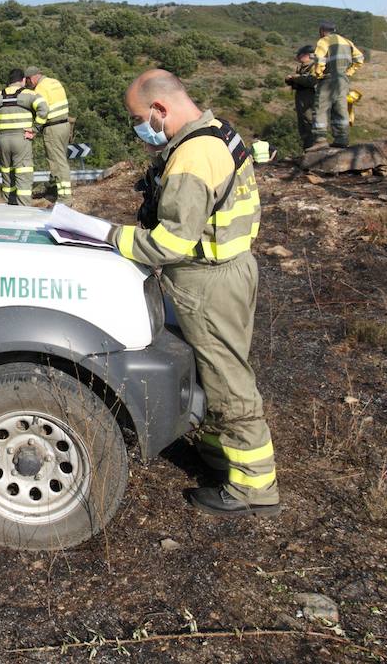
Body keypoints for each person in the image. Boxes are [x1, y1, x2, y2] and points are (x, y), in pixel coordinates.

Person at [46, 69, 280, 518]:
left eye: (139, 117)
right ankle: (218, 454)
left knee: (228, 379)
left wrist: (109, 237)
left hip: (208, 282)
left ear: (159, 109)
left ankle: (253, 487)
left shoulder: (193, 157)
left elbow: (171, 242)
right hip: (225, 271)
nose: (139, 128)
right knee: (214, 371)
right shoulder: (217, 133)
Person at [0, 68, 48, 205]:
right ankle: (24, 210)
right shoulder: (29, 94)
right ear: (23, 80)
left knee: (7, 177)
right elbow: (43, 108)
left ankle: (10, 207)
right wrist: (35, 129)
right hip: (22, 138)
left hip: (3, 141)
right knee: (23, 175)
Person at [311, 21, 364, 148]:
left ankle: (320, 140)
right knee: (340, 109)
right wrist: (349, 72)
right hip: (343, 80)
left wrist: (318, 73)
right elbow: (360, 59)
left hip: (328, 79)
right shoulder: (347, 42)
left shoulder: (324, 41)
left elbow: (319, 58)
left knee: (320, 108)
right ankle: (342, 139)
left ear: (322, 31)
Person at [25, 66, 73, 203]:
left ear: (32, 77)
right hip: (65, 125)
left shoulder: (40, 89)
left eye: (28, 80)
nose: (29, 84)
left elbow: (43, 112)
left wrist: (35, 128)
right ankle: (53, 189)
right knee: (61, 158)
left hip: (52, 128)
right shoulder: (55, 82)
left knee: (57, 163)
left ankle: (65, 197)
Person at [284, 45, 320, 150]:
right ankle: (307, 147)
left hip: (310, 97)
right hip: (301, 96)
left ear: (306, 55)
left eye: (300, 55)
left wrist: (296, 78)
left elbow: (312, 81)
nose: (298, 57)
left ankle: (313, 146)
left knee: (309, 121)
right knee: (302, 123)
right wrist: (291, 80)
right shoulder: (301, 67)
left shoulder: (314, 66)